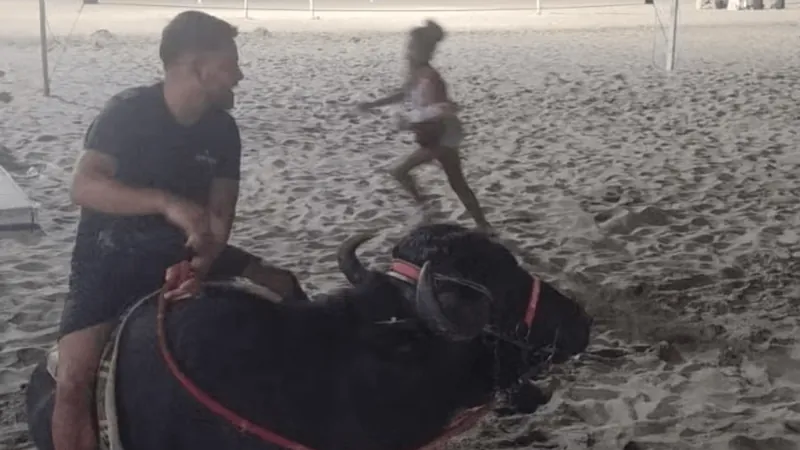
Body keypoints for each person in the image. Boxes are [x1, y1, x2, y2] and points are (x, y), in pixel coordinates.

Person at [52, 11, 307, 450]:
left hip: (182, 251)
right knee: (76, 376)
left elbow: (220, 217)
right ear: (195, 67)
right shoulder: (128, 112)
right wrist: (166, 203)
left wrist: (199, 265)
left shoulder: (223, 130)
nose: (239, 76)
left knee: (284, 286)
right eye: (230, 64)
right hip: (108, 255)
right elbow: (84, 185)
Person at [357, 19, 491, 231]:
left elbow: (442, 110)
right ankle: (481, 224)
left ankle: (428, 209)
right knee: (456, 182)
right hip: (438, 133)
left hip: (442, 134)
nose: (408, 50)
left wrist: (409, 122)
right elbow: (404, 93)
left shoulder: (431, 76)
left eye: (413, 46)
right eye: (409, 45)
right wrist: (374, 104)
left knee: (400, 171)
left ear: (426, 51)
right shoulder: (416, 71)